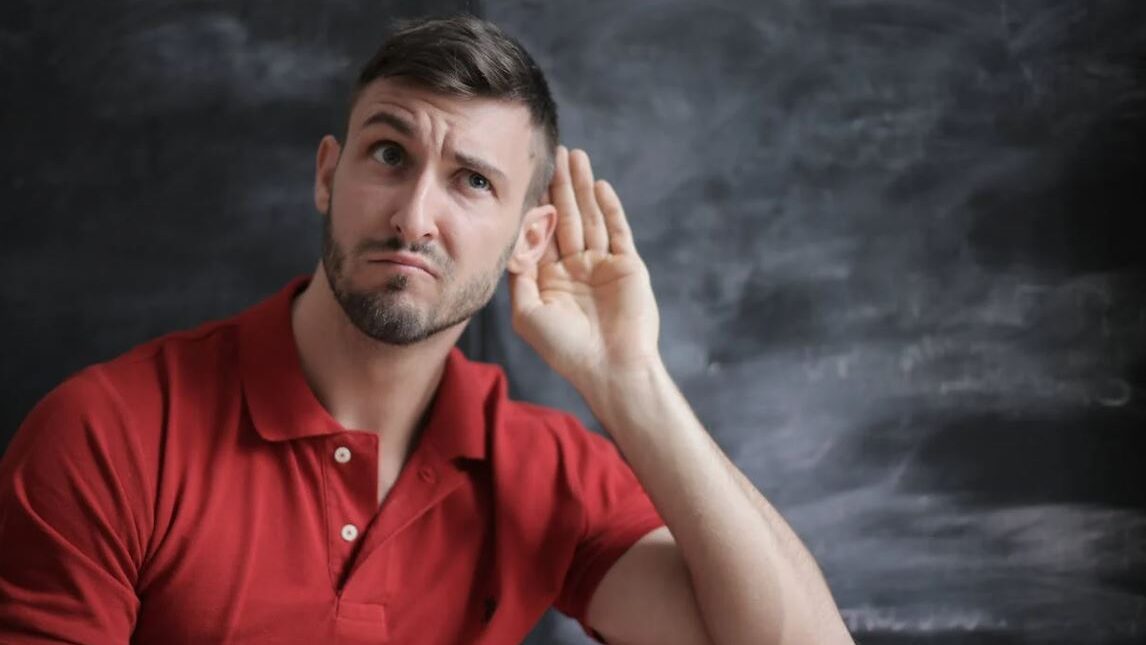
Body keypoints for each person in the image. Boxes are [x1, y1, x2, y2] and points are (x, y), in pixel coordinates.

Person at [0, 15, 853, 645]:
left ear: (528, 238)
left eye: (472, 180)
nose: (415, 216)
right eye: (389, 155)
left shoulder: (543, 471)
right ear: (329, 176)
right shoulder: (106, 433)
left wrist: (631, 381)